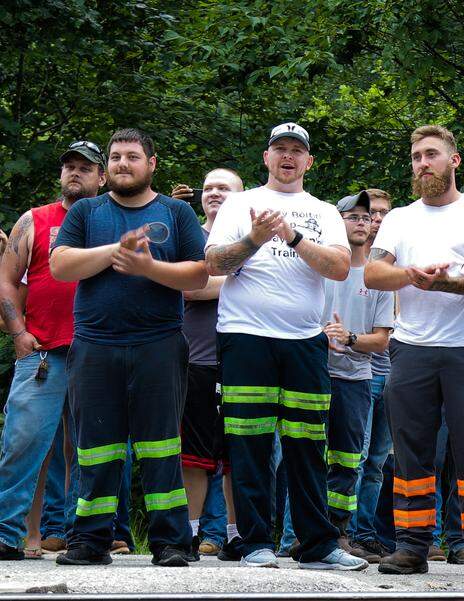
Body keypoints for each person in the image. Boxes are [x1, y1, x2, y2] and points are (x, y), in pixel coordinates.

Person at [204, 122, 364, 571]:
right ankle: (254, 543)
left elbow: (338, 267)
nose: (288, 157)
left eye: (297, 150)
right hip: (245, 337)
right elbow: (214, 261)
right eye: (280, 149)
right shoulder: (240, 203)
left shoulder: (324, 210)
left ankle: (317, 546)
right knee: (249, 443)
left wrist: (291, 236)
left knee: (309, 443)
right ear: (267, 157)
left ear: (308, 161)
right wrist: (256, 237)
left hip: (304, 342)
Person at [49, 128, 209, 566]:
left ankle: (171, 542)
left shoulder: (176, 213)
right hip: (95, 345)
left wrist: (148, 267)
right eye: (116, 157)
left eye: (132, 157)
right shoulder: (86, 210)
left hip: (159, 344)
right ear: (108, 167)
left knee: (160, 447)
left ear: (151, 164)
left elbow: (197, 275)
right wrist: (115, 250)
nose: (123, 164)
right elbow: (60, 265)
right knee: (96, 448)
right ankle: (90, 540)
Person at [364, 124, 464, 577]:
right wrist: (412, 275)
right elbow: (372, 274)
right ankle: (411, 545)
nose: (422, 163)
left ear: (453, 160)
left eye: (431, 154)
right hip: (411, 349)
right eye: (415, 157)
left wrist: (447, 282)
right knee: (411, 453)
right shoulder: (399, 219)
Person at [0, 140, 105, 560]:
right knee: (23, 442)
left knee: (93, 451)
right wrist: (17, 333)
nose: (75, 173)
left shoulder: (112, 218)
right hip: (42, 351)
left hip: (99, 353)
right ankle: (9, 533)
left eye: (85, 167)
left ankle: (83, 537)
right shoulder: (35, 219)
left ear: (102, 176)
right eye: (69, 167)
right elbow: (7, 280)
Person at [170, 169, 244, 560]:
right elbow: (187, 287)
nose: (215, 192)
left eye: (225, 187)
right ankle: (190, 535)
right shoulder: (188, 236)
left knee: (240, 455)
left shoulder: (253, 238)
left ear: (242, 195)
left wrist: (220, 277)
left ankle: (236, 536)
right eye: (210, 186)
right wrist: (238, 277)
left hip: (244, 358)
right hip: (195, 358)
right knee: (194, 456)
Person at [320, 191, 395, 562]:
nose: (362, 222)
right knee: (304, 456)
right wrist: (322, 337)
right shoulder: (319, 267)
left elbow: (382, 340)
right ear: (337, 221)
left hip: (356, 378)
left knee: (350, 461)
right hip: (314, 375)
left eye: (367, 217)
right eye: (353, 216)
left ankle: (339, 533)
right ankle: (300, 534)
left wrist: (348, 338)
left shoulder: (378, 277)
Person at [351, 189, 396, 557]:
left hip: (393, 374)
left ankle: (363, 533)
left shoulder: (398, 260)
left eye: (382, 214)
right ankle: (337, 533)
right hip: (357, 372)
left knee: (378, 463)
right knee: (353, 458)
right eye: (370, 214)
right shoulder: (342, 263)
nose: (376, 220)